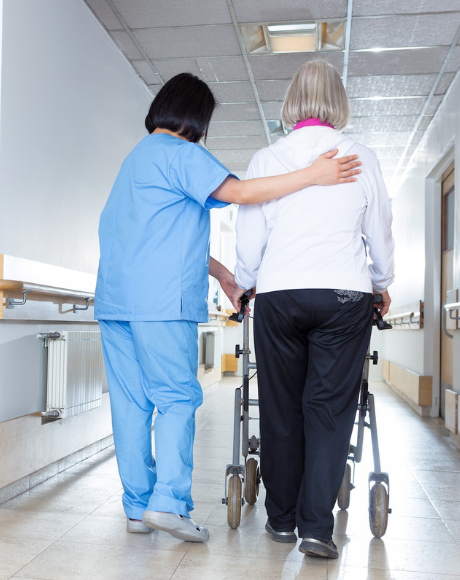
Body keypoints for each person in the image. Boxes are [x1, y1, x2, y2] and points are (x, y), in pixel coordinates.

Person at [94, 72, 363, 543]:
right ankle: (168, 505)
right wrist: (314, 175)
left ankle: (137, 506)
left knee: (131, 404)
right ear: (197, 118)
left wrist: (221, 274)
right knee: (177, 398)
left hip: (116, 301)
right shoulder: (182, 154)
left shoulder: (134, 162)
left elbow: (153, 238)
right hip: (161, 303)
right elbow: (240, 193)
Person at [234, 60, 395, 558]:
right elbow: (380, 232)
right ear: (339, 102)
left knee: (281, 407)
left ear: (290, 103)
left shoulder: (266, 158)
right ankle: (315, 529)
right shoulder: (362, 156)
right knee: (328, 410)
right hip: (345, 295)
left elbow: (249, 238)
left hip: (280, 295)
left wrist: (244, 285)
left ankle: (280, 520)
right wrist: (382, 283)